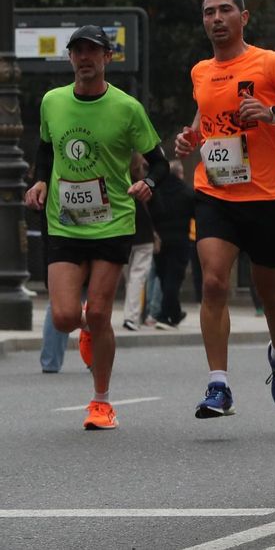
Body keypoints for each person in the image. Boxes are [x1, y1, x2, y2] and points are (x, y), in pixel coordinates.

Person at [172, 0, 275, 418]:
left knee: (269, 291)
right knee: (214, 282)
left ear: (243, 16)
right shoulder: (200, 70)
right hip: (215, 191)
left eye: (224, 10)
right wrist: (190, 136)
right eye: (207, 13)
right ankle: (218, 386)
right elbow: (204, 117)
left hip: (266, 197)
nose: (215, 19)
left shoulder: (270, 63)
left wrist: (273, 113)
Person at [25, 25, 166, 429]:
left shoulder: (127, 108)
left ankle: (101, 402)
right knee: (64, 318)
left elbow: (159, 162)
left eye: (93, 51)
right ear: (70, 58)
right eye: (78, 51)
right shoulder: (52, 101)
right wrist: (38, 180)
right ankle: (88, 327)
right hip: (64, 221)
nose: (85, 57)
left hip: (113, 221)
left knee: (102, 311)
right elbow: (47, 149)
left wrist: (148, 183)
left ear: (107, 57)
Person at [149, 158, 195, 329]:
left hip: (160, 241)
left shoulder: (157, 191)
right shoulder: (186, 192)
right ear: (180, 174)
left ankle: (173, 314)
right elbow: (195, 214)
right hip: (180, 240)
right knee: (173, 279)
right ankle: (165, 315)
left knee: (163, 277)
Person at [120, 155, 158, 331]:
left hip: (124, 234)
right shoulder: (144, 186)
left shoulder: (119, 181)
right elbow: (159, 209)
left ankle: (131, 314)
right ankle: (132, 316)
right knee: (137, 277)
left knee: (129, 277)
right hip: (143, 236)